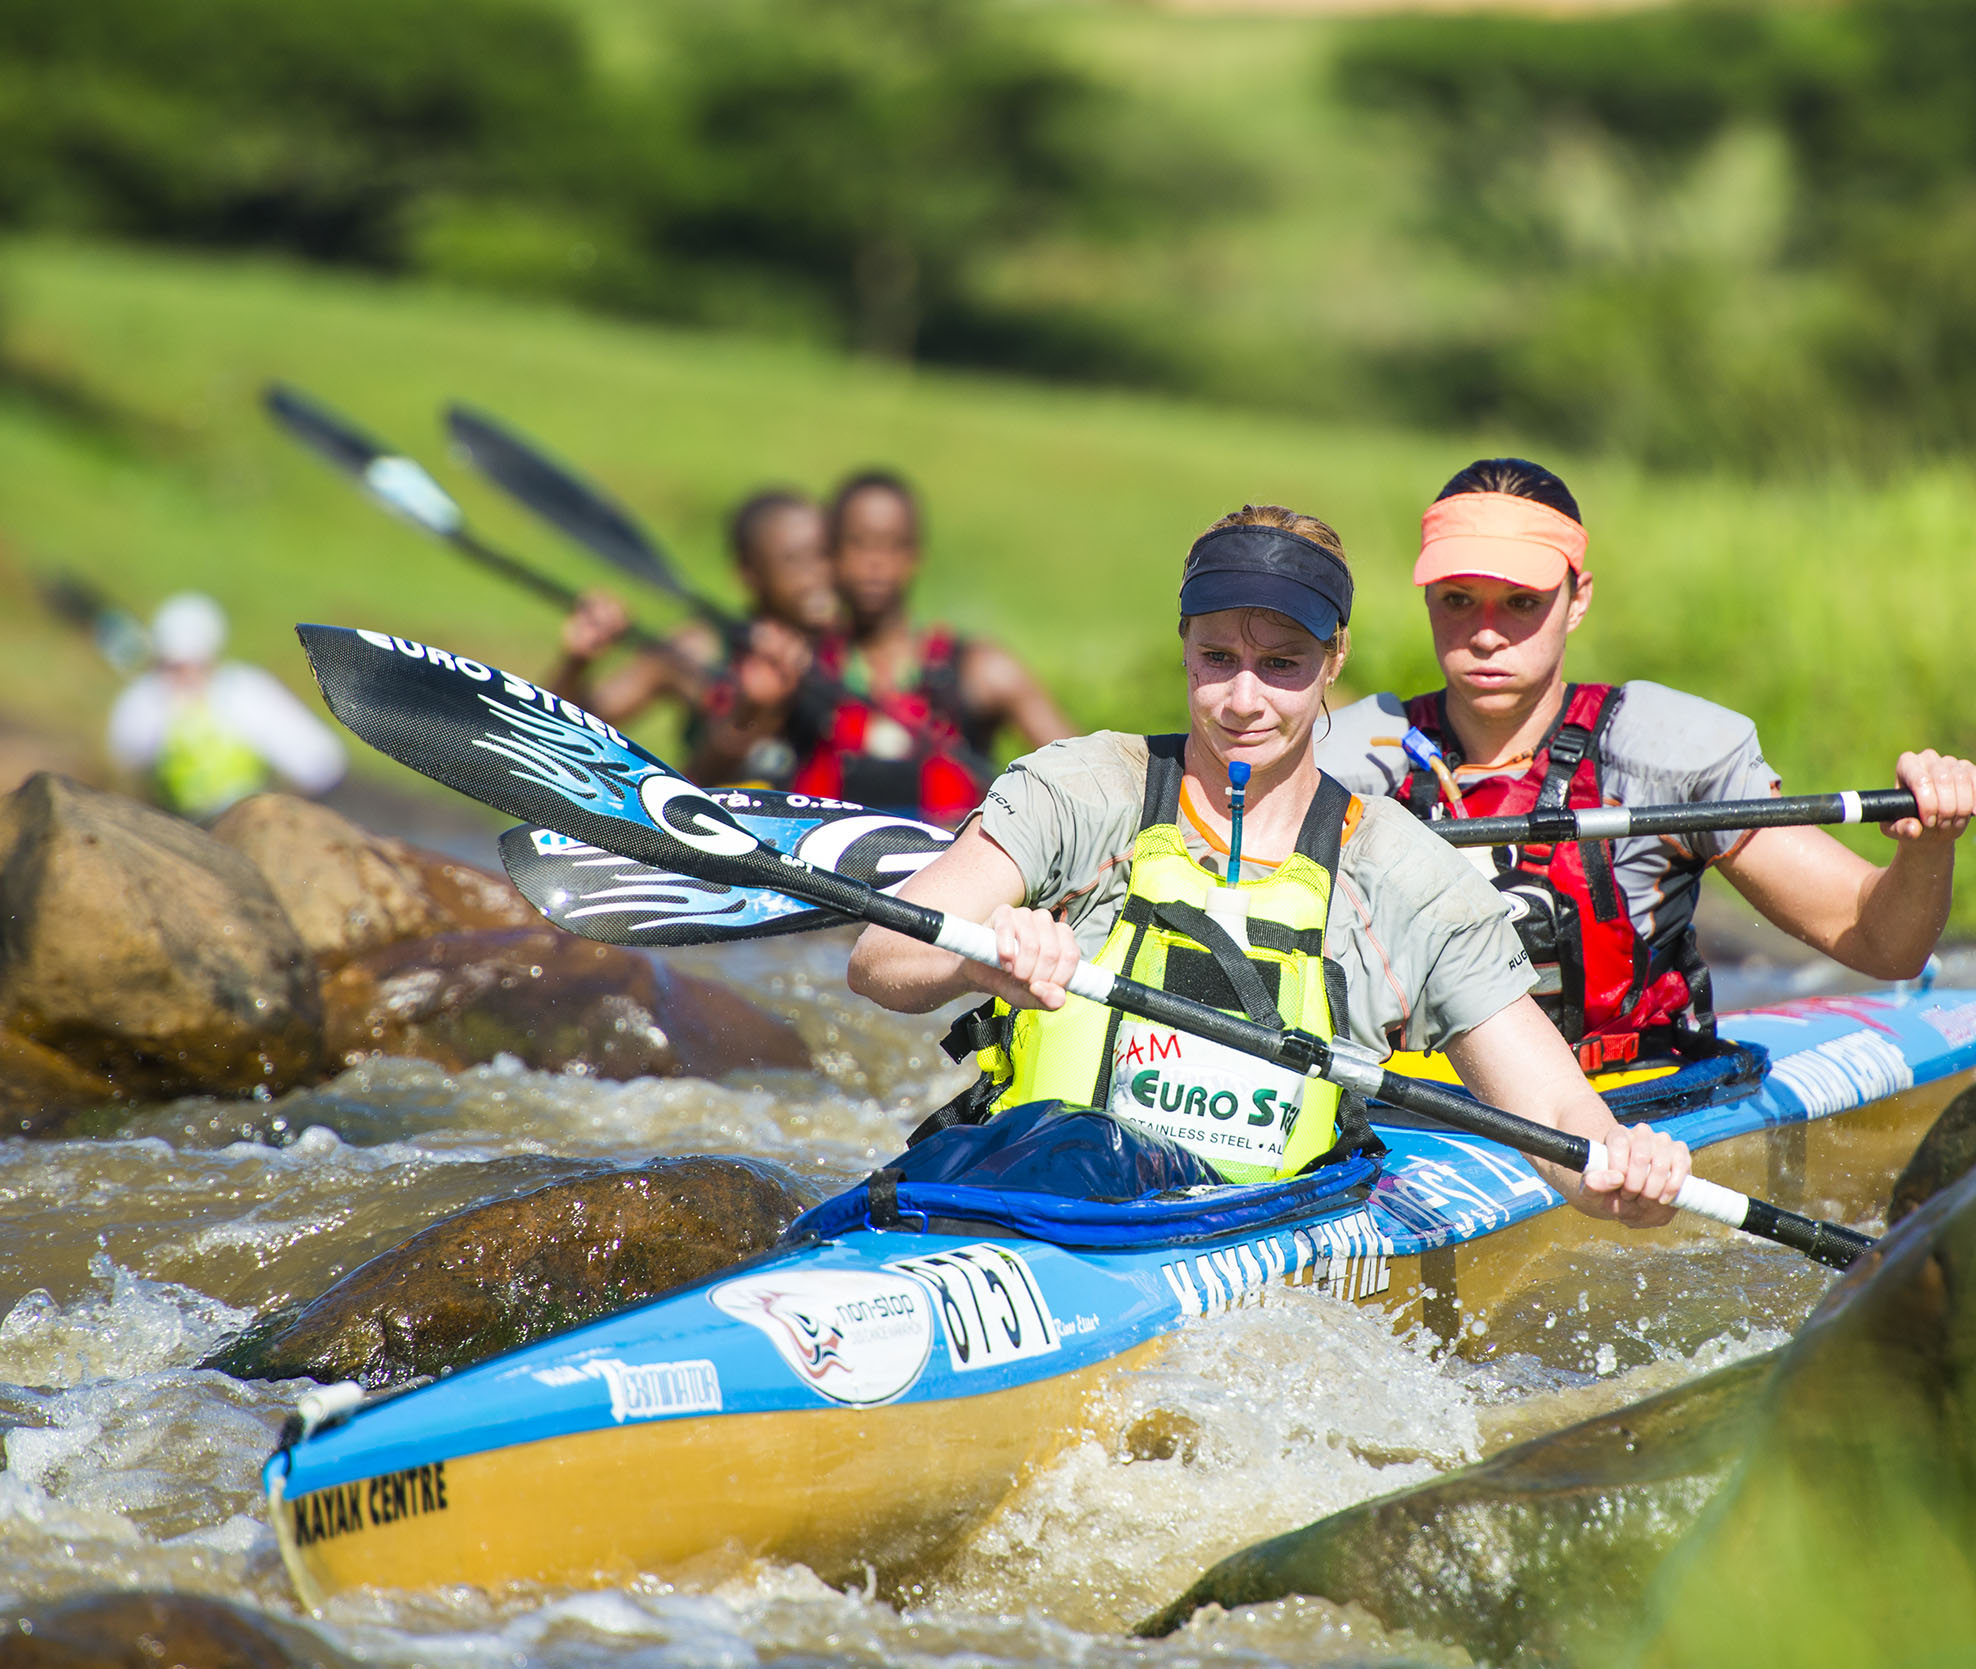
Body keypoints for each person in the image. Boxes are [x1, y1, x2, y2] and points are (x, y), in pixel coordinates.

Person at [846, 505, 1689, 1225]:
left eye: (1282, 665)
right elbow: (880, 960)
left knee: (1098, 1157)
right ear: (1184, 646)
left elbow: (1553, 1113)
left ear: (1334, 659)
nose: (1242, 700)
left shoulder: (1407, 876)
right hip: (1019, 1193)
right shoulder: (1084, 788)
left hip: (1247, 1224)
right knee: (1078, 1149)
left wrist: (1622, 1173)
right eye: (1217, 658)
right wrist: (981, 957)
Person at [1317, 458, 1976, 1071]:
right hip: (1412, 1119)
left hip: (1640, 1109)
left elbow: (1880, 942)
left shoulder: (1665, 755)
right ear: (1426, 598)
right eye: (1457, 599)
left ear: (1577, 599)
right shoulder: (1337, 765)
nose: (1486, 633)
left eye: (1522, 602)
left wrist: (1928, 848)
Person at [690, 470, 1072, 818]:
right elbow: (698, 790)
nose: (874, 562)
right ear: (831, 555)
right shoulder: (796, 667)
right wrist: (753, 712)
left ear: (915, 555)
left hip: (947, 887)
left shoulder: (980, 671)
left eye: (892, 545)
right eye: (858, 543)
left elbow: (1084, 782)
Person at [548, 489, 833, 779]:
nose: (818, 574)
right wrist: (576, 662)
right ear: (748, 573)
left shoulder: (852, 652)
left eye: (825, 554)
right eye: (794, 560)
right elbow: (565, 737)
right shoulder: (697, 652)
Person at [106, 593, 346, 821]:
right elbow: (123, 756)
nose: (184, 677)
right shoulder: (146, 699)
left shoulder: (245, 692)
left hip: (249, 822)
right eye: (174, 667)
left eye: (192, 666)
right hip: (177, 824)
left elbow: (319, 759)